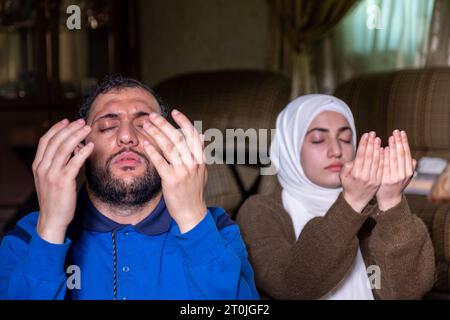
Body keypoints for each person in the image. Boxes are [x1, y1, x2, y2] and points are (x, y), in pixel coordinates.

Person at [0, 75, 259, 300]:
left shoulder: (218, 230)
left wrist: (193, 218)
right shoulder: (28, 238)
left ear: (169, 143)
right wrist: (52, 229)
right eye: (107, 126)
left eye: (144, 125)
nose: (127, 136)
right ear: (79, 150)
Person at [237, 94, 435, 300]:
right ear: (289, 148)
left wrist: (391, 201)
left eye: (346, 139)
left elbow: (409, 291)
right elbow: (290, 285)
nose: (336, 151)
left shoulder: (373, 211)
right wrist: (351, 204)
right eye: (318, 140)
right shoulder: (260, 210)